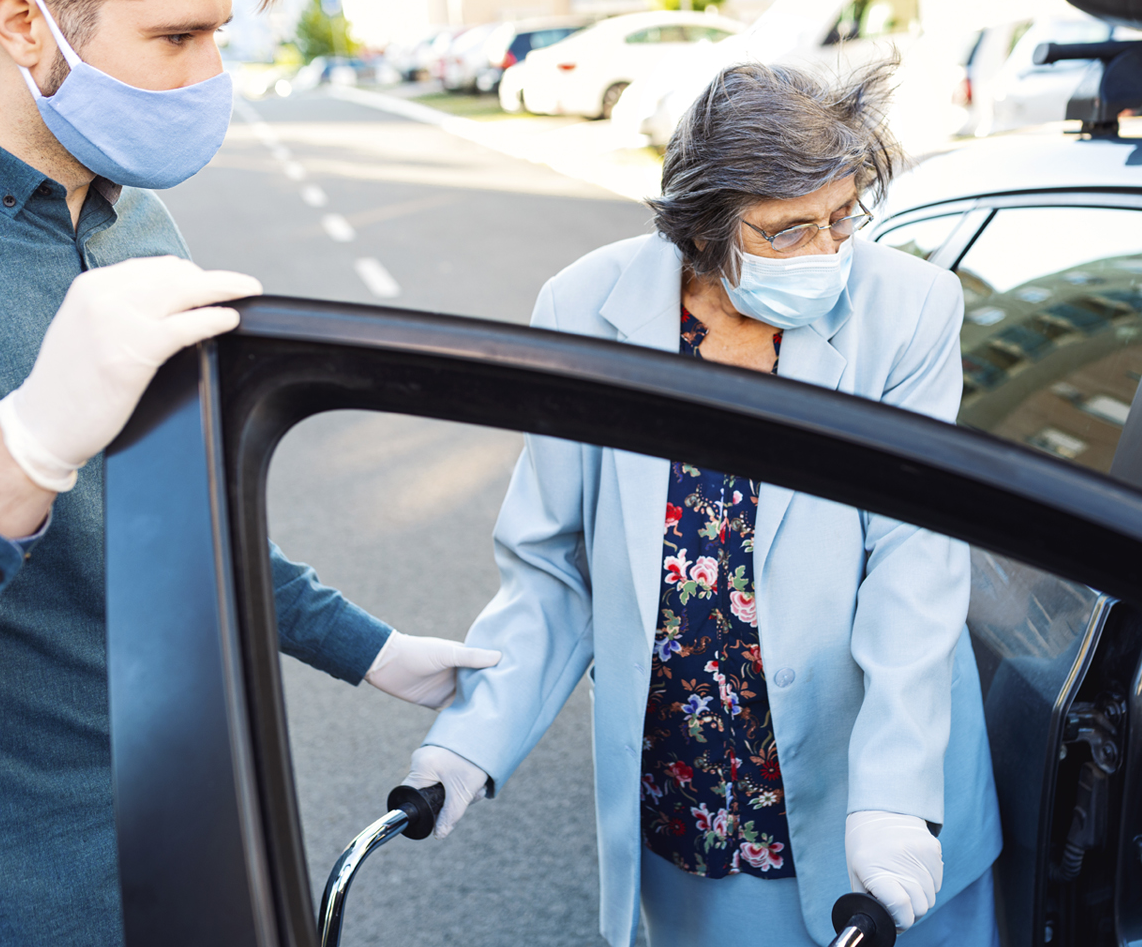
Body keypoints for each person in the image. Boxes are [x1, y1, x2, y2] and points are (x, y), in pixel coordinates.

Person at [0, 0, 499, 944]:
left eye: (220, 37)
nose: (213, 76)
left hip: (198, 846)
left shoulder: (136, 223)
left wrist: (367, 647)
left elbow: (171, 518)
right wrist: (20, 451)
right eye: (177, 37)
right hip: (16, 902)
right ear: (23, 23)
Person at [402, 61, 1002, 947]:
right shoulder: (583, 310)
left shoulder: (908, 310)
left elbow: (916, 563)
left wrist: (893, 796)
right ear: (700, 232)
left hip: (882, 801)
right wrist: (472, 739)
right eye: (787, 231)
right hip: (699, 801)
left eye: (843, 216)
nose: (830, 252)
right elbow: (550, 563)